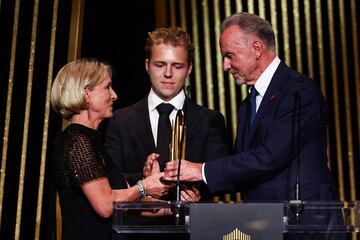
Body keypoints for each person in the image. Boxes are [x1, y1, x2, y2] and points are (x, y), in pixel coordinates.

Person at [164, 12, 346, 239]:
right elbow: (244, 167)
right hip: (266, 226)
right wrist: (196, 188)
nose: (225, 66)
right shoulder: (248, 103)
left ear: (257, 48)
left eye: (230, 56)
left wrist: (200, 171)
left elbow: (269, 157)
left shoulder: (299, 91)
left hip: (307, 226)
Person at [105, 27, 230, 202]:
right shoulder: (121, 120)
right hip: (137, 226)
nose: (168, 73)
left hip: (192, 226)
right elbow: (110, 179)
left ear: (189, 69)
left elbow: (222, 178)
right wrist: (143, 180)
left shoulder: (210, 121)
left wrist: (198, 196)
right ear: (147, 65)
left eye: (177, 66)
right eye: (160, 65)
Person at [50, 59, 170, 240]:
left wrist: (177, 204)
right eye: (107, 87)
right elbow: (106, 205)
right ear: (86, 93)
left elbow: (128, 204)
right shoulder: (78, 141)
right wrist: (144, 186)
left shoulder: (91, 141)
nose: (114, 95)